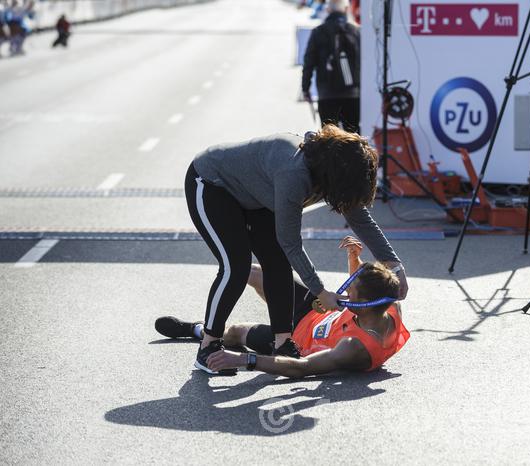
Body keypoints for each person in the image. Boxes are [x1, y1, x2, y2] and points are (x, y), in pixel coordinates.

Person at [184, 124, 408, 375]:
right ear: (336, 177)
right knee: (236, 266)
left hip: (257, 195)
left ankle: (282, 343)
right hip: (213, 183)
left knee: (277, 263)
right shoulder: (294, 174)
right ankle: (209, 345)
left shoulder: (333, 173)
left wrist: (395, 266)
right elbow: (291, 242)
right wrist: (320, 291)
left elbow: (361, 220)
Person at [155, 237, 410, 377]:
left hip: (295, 341)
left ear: (362, 305)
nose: (343, 292)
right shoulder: (387, 304)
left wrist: (243, 359)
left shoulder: (355, 347)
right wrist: (355, 261)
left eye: (349, 292)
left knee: (236, 333)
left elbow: (302, 368)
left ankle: (197, 330)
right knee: (252, 272)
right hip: (315, 310)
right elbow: (368, 290)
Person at [302, 0, 360, 133]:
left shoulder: (318, 32)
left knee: (329, 139)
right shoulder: (356, 32)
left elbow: (309, 62)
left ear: (328, 10)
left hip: (327, 93)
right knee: (354, 137)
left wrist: (305, 89)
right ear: (346, 9)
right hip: (353, 93)